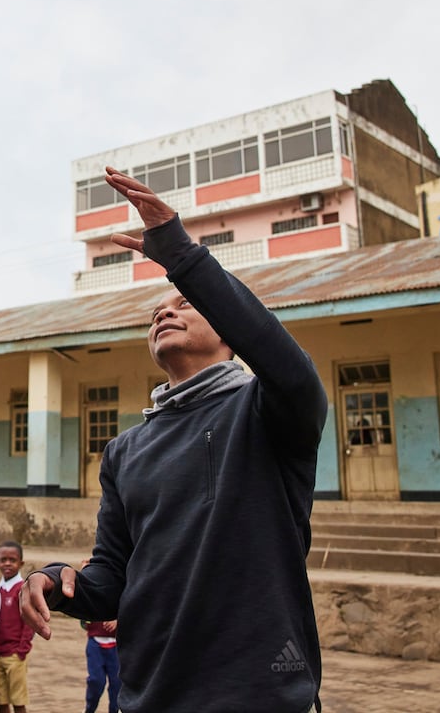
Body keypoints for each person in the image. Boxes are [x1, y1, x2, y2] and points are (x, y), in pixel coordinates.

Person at [20, 168, 329, 713]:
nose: (165, 310)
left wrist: (181, 255)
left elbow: (290, 367)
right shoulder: (125, 450)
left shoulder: (268, 410)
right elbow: (112, 575)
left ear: (229, 331)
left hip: (261, 691)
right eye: (158, 309)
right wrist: (59, 580)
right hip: (148, 693)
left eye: (185, 303)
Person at [0, 541, 32, 713]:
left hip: (15, 655)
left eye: (12, 560)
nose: (7, 563)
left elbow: (29, 622)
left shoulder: (22, 589)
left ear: (21, 563)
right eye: (3, 560)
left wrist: (22, 649)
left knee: (18, 701)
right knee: (1, 701)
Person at [81, 618, 119, 713]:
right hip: (95, 643)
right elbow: (83, 621)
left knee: (117, 683)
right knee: (96, 680)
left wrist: (119, 621)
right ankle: (89, 709)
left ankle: (115, 710)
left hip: (117, 646)